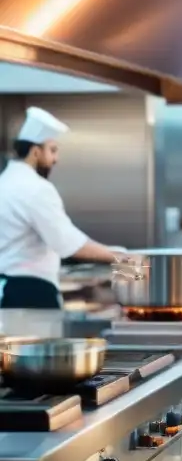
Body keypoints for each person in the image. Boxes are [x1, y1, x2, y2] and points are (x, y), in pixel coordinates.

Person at [0, 107, 124, 309]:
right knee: (37, 341)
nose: (55, 159)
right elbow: (68, 244)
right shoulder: (36, 188)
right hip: (30, 292)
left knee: (13, 341)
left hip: (7, 290)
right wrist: (125, 258)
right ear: (35, 151)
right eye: (53, 150)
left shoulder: (5, 181)